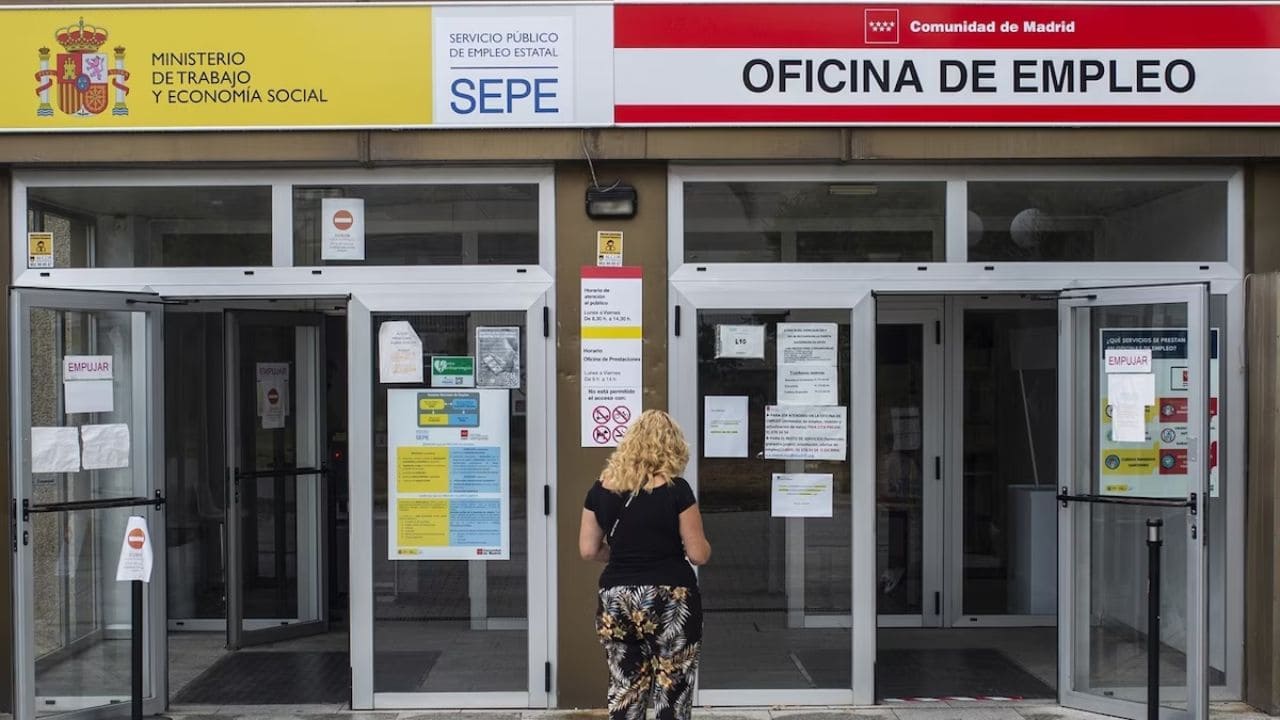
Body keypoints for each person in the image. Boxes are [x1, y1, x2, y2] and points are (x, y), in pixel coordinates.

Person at [579, 409, 711, 720]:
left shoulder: (600, 489)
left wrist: (624, 554)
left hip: (616, 597)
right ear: (673, 446)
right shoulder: (677, 490)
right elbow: (698, 554)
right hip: (670, 598)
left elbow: (588, 550)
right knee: (673, 689)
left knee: (625, 688)